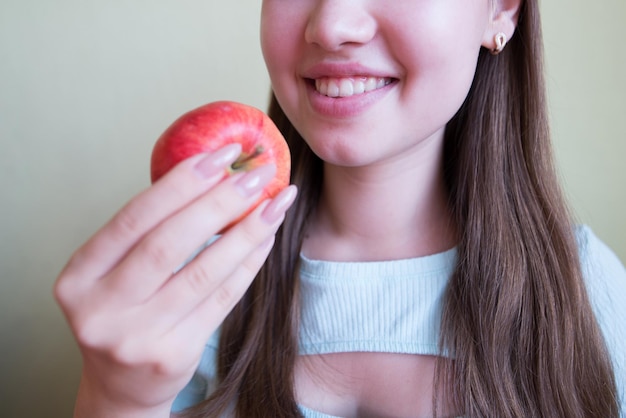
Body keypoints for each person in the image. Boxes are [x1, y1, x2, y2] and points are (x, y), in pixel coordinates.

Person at [54, 0, 626, 417]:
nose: (331, 24)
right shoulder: (182, 294)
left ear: (500, 10)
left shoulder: (586, 293)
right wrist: (116, 400)